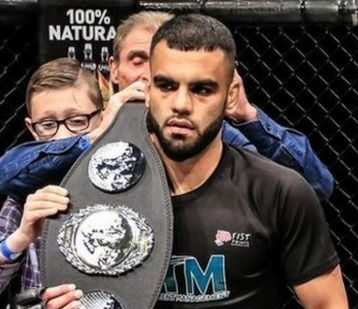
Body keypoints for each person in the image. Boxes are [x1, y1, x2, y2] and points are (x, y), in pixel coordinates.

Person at [5, 14, 350, 309]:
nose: (181, 104)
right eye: (166, 86)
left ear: (230, 93)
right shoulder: (92, 186)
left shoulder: (276, 190)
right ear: (146, 86)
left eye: (202, 89)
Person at [0, 11, 334, 201]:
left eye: (162, 64)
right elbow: (7, 177)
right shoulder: (89, 124)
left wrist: (248, 117)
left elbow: (317, 187)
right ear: (113, 68)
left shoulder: (207, 129)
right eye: (138, 59)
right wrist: (97, 135)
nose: (149, 74)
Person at [0, 57, 123, 309]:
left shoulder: (129, 183)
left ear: (103, 117)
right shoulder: (23, 191)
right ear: (31, 127)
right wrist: (20, 237)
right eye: (48, 124)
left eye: (77, 120)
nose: (62, 135)